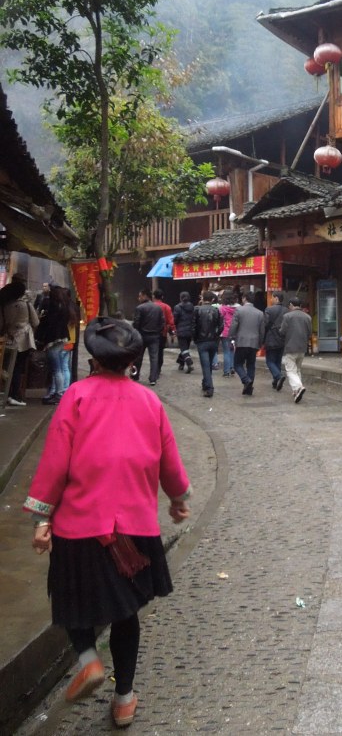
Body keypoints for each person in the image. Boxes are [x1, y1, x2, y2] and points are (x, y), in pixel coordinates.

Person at [23, 316, 191, 729]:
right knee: (125, 612)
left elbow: (56, 462)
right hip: (136, 529)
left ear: (94, 360)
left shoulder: (77, 396)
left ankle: (88, 660)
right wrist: (177, 500)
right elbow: (169, 459)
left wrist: (42, 517)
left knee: (70, 600)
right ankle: (125, 699)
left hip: (80, 526)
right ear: (132, 361)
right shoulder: (150, 402)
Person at [0, 274, 39, 406]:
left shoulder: (5, 305)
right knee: (18, 367)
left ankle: (5, 392)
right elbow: (36, 322)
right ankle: (14, 394)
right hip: (23, 340)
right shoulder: (26, 305)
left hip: (8, 338)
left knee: (6, 367)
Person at [34, 284, 74, 405]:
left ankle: (58, 393)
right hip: (62, 338)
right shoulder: (65, 306)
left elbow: (47, 323)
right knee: (61, 367)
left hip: (53, 339)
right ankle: (59, 392)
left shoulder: (53, 307)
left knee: (57, 368)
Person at [228, 292, 264, 396]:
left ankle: (246, 380)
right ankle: (249, 388)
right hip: (254, 342)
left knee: (237, 364)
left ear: (244, 298)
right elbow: (262, 330)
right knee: (251, 365)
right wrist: (260, 342)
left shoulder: (239, 310)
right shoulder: (260, 313)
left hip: (241, 341)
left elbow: (234, 325)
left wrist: (231, 337)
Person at [278, 296, 312, 403]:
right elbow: (309, 333)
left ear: (291, 305)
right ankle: (296, 391)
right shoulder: (307, 317)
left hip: (290, 346)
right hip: (302, 347)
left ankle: (298, 387)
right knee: (297, 370)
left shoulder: (287, 316)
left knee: (290, 370)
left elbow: (282, 331)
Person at [192, 291, 223, 398]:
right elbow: (221, 326)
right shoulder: (216, 310)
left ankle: (209, 387)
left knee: (205, 365)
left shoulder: (197, 310)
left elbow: (193, 326)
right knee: (208, 364)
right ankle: (206, 383)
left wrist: (195, 338)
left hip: (202, 341)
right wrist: (216, 335)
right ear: (212, 299)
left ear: (202, 298)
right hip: (213, 341)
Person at [131, 289, 165, 386]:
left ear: (145, 296)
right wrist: (158, 331)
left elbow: (136, 323)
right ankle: (153, 378)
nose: (139, 298)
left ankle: (135, 376)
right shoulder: (158, 308)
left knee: (138, 357)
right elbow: (162, 322)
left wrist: (136, 333)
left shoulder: (139, 308)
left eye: (140, 296)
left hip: (142, 335)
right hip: (154, 336)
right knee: (154, 358)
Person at [263, 290, 286, 390]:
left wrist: (262, 338)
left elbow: (265, 324)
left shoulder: (269, 310)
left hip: (271, 338)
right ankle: (276, 382)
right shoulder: (286, 310)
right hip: (282, 339)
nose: (271, 299)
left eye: (272, 297)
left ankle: (278, 376)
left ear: (276, 298)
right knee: (278, 361)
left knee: (270, 361)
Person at [153, 288, 175, 376]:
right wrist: (172, 332)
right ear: (162, 297)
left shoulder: (150, 306)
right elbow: (170, 321)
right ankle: (158, 368)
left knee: (152, 351)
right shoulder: (166, 307)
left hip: (150, 332)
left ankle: (153, 368)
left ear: (154, 296)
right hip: (162, 332)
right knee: (160, 351)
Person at [217, 288, 239, 376]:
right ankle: (232, 367)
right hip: (235, 332)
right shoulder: (238, 308)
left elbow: (219, 320)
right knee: (232, 350)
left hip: (225, 332)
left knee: (226, 351)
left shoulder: (222, 308)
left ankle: (226, 371)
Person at [172, 291, 195, 373]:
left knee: (184, 349)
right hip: (190, 331)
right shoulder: (192, 307)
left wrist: (174, 328)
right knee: (185, 348)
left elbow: (175, 319)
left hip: (181, 331)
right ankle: (181, 362)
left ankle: (189, 363)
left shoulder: (177, 307)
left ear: (180, 298)